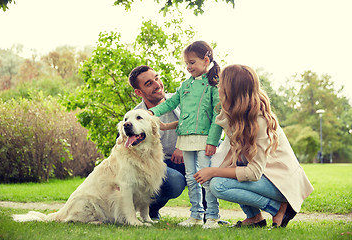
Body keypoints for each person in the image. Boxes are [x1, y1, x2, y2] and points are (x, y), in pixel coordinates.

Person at [194, 64, 314, 228]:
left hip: (280, 183)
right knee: (229, 171)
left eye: (221, 83)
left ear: (232, 89)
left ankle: (279, 208)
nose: (217, 86)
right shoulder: (236, 114)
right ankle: (254, 218)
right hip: (266, 176)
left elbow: (254, 172)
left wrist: (213, 171)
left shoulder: (259, 120)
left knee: (218, 185)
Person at [149, 41, 223, 229]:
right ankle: (196, 215)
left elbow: (217, 115)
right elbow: (169, 103)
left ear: (206, 60)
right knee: (191, 178)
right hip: (185, 139)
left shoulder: (213, 86)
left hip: (205, 139)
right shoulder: (185, 86)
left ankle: (212, 217)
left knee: (205, 177)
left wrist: (213, 140)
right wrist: (153, 113)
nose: (189, 67)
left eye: (192, 62)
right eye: (187, 64)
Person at [128, 65, 186, 221]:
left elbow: (197, 123)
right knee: (174, 182)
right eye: (149, 83)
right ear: (138, 92)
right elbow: (126, 147)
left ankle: (208, 215)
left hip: (187, 154)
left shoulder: (179, 100)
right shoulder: (136, 116)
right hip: (157, 164)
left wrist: (181, 145)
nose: (157, 84)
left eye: (157, 78)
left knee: (213, 156)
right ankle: (151, 210)